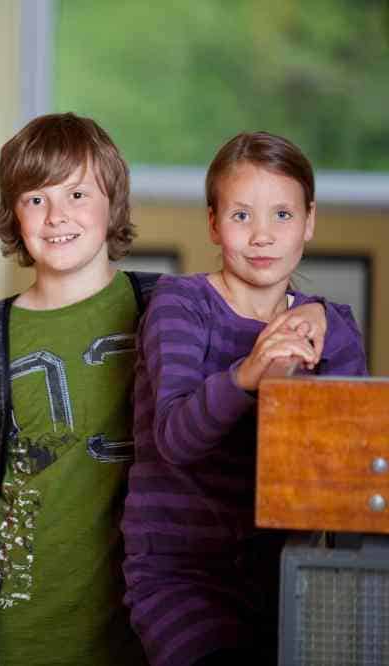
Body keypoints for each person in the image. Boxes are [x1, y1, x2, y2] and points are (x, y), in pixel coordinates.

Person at [120, 131, 367, 666]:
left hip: (282, 573)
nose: (262, 235)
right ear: (213, 223)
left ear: (309, 221)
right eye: (241, 216)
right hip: (178, 574)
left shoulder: (327, 326)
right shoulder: (181, 305)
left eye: (282, 215)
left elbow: (352, 454)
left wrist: (324, 320)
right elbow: (175, 438)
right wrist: (249, 373)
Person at [0, 112, 151, 665]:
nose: (57, 216)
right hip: (22, 632)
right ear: (14, 214)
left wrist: (313, 314)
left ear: (113, 202)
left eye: (77, 193)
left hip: (150, 631)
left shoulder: (169, 311)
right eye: (35, 198)